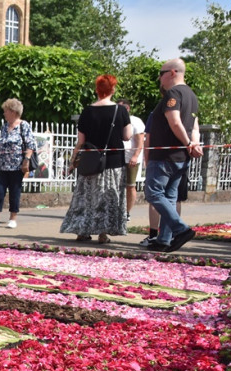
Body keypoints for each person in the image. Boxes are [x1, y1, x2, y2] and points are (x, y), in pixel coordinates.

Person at [59, 74, 132, 244]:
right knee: (108, 197)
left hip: (90, 161)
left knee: (87, 197)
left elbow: (81, 141)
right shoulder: (120, 110)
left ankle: (82, 231)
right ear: (113, 89)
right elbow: (127, 136)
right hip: (113, 162)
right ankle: (103, 233)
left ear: (97, 90)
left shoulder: (87, 111)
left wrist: (72, 161)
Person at [143, 58, 202, 253]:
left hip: (165, 155)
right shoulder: (192, 96)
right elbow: (195, 127)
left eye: (161, 73)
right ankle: (164, 239)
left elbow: (174, 121)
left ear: (172, 73)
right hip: (180, 157)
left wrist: (187, 143)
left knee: (153, 193)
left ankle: (180, 229)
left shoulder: (174, 93)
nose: (159, 78)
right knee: (169, 197)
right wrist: (193, 144)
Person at [0, 98, 36, 229]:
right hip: (2, 165)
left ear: (13, 111)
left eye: (6, 111)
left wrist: (26, 161)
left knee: (14, 192)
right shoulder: (5, 127)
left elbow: (31, 145)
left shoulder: (24, 125)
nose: (4, 114)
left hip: (17, 166)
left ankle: (13, 218)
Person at [117, 99, 145, 221]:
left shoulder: (135, 121)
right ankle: (116, 210)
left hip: (131, 159)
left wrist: (135, 155)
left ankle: (127, 212)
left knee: (130, 186)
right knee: (116, 186)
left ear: (127, 108)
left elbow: (140, 141)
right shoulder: (115, 120)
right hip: (117, 157)